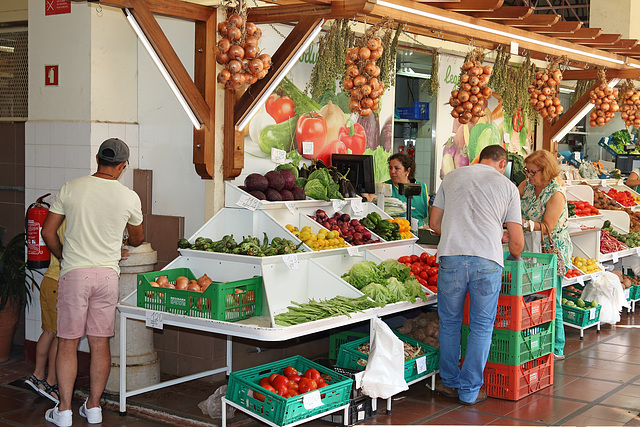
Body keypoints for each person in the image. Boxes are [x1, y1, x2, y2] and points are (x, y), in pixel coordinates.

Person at [41, 138, 144, 427]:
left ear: (97, 157)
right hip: (108, 276)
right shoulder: (129, 197)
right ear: (123, 166)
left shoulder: (71, 188)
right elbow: (137, 238)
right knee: (100, 343)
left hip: (75, 273)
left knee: (68, 343)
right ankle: (94, 407)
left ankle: (63, 411)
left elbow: (48, 232)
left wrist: (63, 258)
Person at [430, 145, 524, 405]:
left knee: (449, 323)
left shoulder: (452, 177)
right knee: (481, 327)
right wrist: (511, 250)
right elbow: (516, 243)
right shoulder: (507, 187)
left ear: (479, 159)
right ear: (502, 163)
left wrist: (456, 232)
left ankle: (448, 382)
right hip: (487, 261)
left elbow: (434, 224)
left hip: (451, 258)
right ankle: (469, 391)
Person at [519, 149, 572, 360]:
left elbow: (548, 226)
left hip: (551, 250)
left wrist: (525, 224)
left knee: (553, 297)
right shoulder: (528, 186)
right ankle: (535, 340)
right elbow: (513, 199)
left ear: (546, 170)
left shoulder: (556, 193)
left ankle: (556, 347)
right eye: (527, 171)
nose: (528, 175)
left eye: (532, 172)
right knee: (532, 296)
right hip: (530, 248)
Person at [25, 222, 65, 404]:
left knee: (49, 331)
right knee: (60, 336)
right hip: (60, 282)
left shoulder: (58, 219)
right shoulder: (73, 220)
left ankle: (37, 376)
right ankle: (51, 382)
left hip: (48, 281)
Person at [385, 152, 430, 227]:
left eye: (397, 168)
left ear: (408, 171)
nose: (392, 172)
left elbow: (428, 212)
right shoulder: (384, 187)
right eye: (390, 168)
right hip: (395, 231)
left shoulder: (422, 187)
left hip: (419, 230)